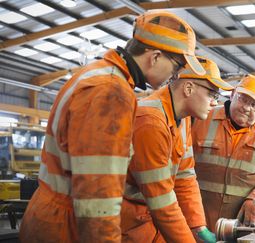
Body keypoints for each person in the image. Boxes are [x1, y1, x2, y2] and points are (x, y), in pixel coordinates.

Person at [19, 10, 205, 243]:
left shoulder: (100, 75)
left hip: (57, 216)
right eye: (176, 66)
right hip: (65, 227)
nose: (175, 75)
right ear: (155, 57)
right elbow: (98, 198)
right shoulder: (111, 92)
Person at [121, 56, 233, 243]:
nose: (215, 103)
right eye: (212, 94)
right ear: (188, 88)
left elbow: (185, 176)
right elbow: (161, 200)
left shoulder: (182, 118)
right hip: (127, 224)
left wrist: (198, 227)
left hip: (150, 219)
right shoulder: (150, 122)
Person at [192, 74, 255, 231]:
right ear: (233, 94)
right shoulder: (202, 118)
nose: (247, 107)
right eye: (243, 99)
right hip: (197, 216)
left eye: (254, 104)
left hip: (240, 222)